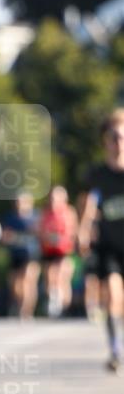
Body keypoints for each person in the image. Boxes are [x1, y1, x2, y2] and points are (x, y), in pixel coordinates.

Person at [78, 110, 124, 374]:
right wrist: (83, 230)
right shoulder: (97, 174)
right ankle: (115, 349)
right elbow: (88, 203)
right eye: (114, 137)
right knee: (113, 295)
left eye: (122, 137)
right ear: (106, 141)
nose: (118, 143)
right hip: (110, 245)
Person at [38, 185, 77, 317]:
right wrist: (47, 237)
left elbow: (73, 231)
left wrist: (63, 239)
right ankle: (54, 298)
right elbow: (40, 231)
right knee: (50, 276)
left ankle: (64, 305)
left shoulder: (69, 212)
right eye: (52, 198)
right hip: (48, 250)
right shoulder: (46, 213)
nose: (53, 201)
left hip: (64, 250)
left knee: (62, 276)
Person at [1, 192, 41, 318]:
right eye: (18, 202)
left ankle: (27, 310)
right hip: (16, 254)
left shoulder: (36, 217)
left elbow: (42, 234)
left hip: (32, 254)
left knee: (29, 280)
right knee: (16, 284)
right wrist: (11, 238)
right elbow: (4, 236)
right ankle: (19, 305)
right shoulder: (11, 218)